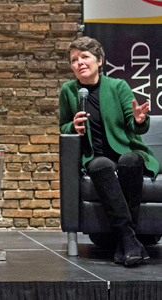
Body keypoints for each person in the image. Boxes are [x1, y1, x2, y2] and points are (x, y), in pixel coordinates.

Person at [59, 36, 159, 266]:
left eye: (85, 57)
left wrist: (139, 119)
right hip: (95, 156)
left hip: (125, 150)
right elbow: (63, 126)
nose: (79, 63)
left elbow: (135, 124)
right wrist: (71, 126)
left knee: (130, 161)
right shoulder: (68, 91)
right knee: (101, 165)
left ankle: (125, 240)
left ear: (99, 60)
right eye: (74, 60)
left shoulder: (118, 86)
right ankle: (128, 239)